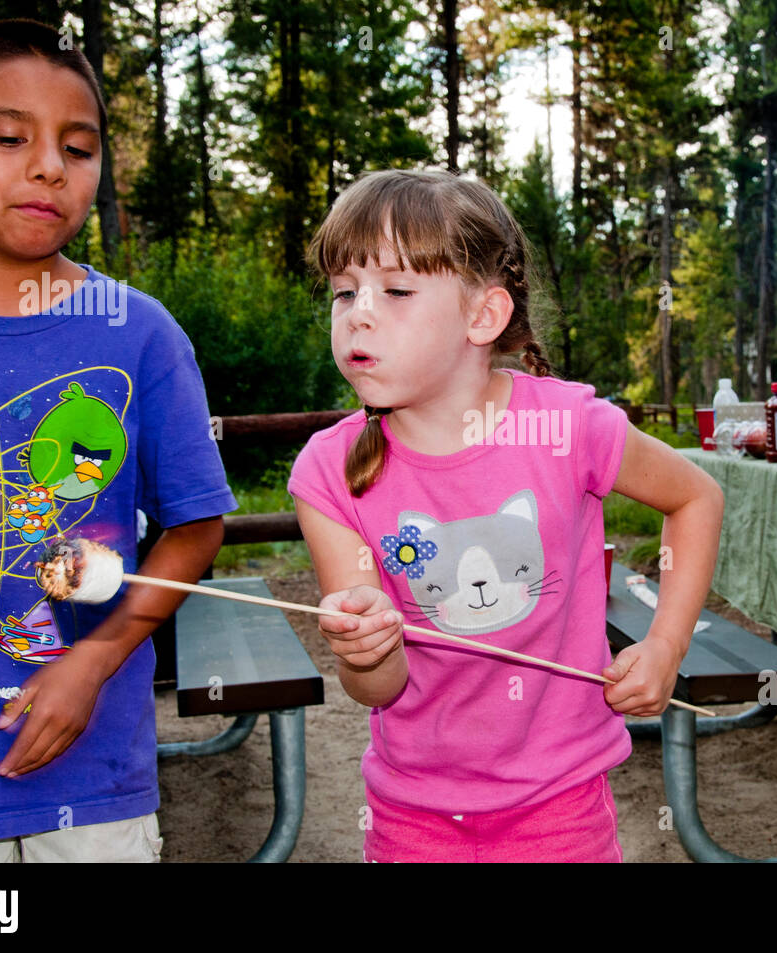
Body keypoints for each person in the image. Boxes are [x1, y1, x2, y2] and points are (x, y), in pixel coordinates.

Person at [0, 19, 235, 862]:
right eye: (8, 138)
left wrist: (95, 659)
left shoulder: (140, 334)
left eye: (78, 148)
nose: (49, 167)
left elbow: (195, 524)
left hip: (93, 783)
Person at [290, 168, 724, 862]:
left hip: (562, 805)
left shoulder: (569, 426)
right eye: (345, 291)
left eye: (396, 290)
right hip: (411, 814)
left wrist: (666, 646)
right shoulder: (328, 471)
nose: (358, 314)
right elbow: (376, 689)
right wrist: (367, 647)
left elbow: (696, 496)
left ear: (484, 316)